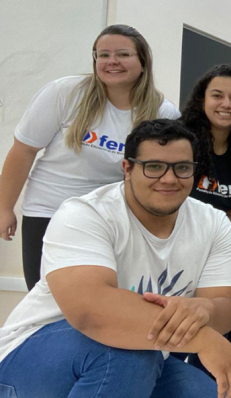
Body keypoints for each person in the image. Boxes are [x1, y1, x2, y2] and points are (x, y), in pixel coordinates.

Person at [0, 119, 231, 398]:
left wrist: (205, 308)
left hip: (141, 367)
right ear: (127, 168)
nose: (169, 178)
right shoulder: (85, 214)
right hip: (27, 374)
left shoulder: (214, 223)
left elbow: (225, 309)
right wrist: (203, 338)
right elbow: (92, 312)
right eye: (154, 166)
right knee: (127, 352)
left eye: (182, 168)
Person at [0, 24, 179, 291]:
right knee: (44, 296)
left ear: (143, 62)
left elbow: (159, 176)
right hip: (49, 212)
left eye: (123, 54)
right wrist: (4, 208)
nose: (112, 61)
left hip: (112, 219)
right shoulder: (64, 92)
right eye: (103, 55)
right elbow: (23, 151)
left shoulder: (163, 112)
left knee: (98, 299)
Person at [183, 64, 231, 228]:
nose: (226, 104)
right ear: (202, 100)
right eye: (217, 96)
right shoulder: (181, 142)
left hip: (217, 239)